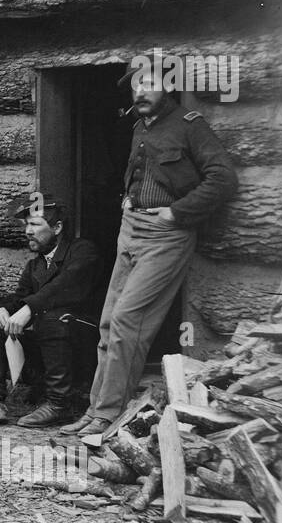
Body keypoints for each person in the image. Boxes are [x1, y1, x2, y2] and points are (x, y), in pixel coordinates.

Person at [62, 61, 238, 436]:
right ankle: (94, 411)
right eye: (135, 86)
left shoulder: (191, 126)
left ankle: (109, 415)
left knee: (128, 323)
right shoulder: (140, 125)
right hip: (131, 230)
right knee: (108, 324)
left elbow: (223, 178)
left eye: (150, 84)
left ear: (169, 87)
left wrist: (177, 212)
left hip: (166, 237)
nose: (140, 92)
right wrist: (128, 200)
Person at [0, 196, 100, 429]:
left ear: (57, 227)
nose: (28, 231)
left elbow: (63, 285)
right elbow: (18, 299)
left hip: (84, 345)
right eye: (26, 226)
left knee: (53, 319)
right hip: (51, 347)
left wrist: (30, 308)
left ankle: (60, 403)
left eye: (35, 225)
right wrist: (0, 311)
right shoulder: (36, 266)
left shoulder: (82, 250)